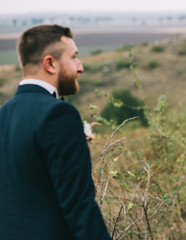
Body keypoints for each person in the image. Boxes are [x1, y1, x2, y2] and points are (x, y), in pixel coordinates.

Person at [0, 25, 112, 240]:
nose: (80, 67)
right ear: (50, 63)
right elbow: (79, 205)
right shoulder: (58, 114)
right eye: (74, 58)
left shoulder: (4, 113)